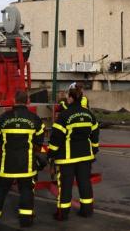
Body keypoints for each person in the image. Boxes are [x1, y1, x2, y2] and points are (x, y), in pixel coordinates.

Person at [0, 91, 45, 228]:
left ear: (14, 99)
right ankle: (25, 221)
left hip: (7, 162)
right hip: (27, 163)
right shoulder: (34, 118)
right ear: (28, 101)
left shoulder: (3, 118)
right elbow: (39, 142)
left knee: (0, 190)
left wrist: (5, 145)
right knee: (26, 190)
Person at [48, 84, 99, 221]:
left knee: (65, 186)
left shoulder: (64, 115)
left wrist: (51, 154)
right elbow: (95, 135)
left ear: (70, 98)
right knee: (85, 184)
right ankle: (87, 211)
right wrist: (93, 150)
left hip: (67, 159)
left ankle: (63, 214)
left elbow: (56, 137)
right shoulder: (89, 114)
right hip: (85, 157)